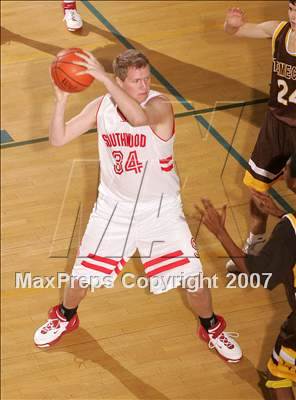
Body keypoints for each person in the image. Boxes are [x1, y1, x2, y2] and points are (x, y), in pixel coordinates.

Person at [33, 49, 242, 363]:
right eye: (136, 81)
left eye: (146, 78)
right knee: (80, 276)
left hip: (160, 211)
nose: (144, 85)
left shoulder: (159, 106)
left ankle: (211, 326)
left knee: (194, 280)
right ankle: (65, 316)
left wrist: (102, 78)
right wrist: (61, 101)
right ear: (121, 80)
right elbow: (58, 139)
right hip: (113, 208)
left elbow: (138, 118)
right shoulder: (101, 106)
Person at [197, 154, 296, 400]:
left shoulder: (290, 231)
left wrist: (220, 232)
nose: (282, 173)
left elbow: (258, 273)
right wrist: (282, 214)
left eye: (287, 169)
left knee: (278, 377)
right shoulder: (290, 224)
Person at [224, 1, 296, 272]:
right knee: (256, 187)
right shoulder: (278, 31)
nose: (294, 16)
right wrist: (231, 25)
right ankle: (255, 243)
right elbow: (239, 31)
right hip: (275, 124)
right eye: (291, 8)